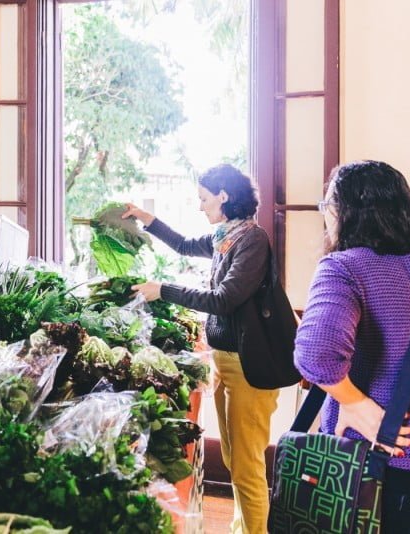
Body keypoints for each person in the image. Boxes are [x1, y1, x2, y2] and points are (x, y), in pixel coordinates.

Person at [123, 164, 278, 534]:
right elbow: (182, 245)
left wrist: (164, 290)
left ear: (224, 196)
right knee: (233, 459)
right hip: (227, 362)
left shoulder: (252, 240)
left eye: (204, 199)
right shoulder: (226, 235)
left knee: (246, 466)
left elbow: (226, 299)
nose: (200, 206)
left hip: (250, 366)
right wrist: (148, 219)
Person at [294, 160, 410, 533]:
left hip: (363, 471)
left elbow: (315, 354)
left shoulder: (343, 267)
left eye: (326, 205)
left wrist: (355, 404)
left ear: (342, 212)